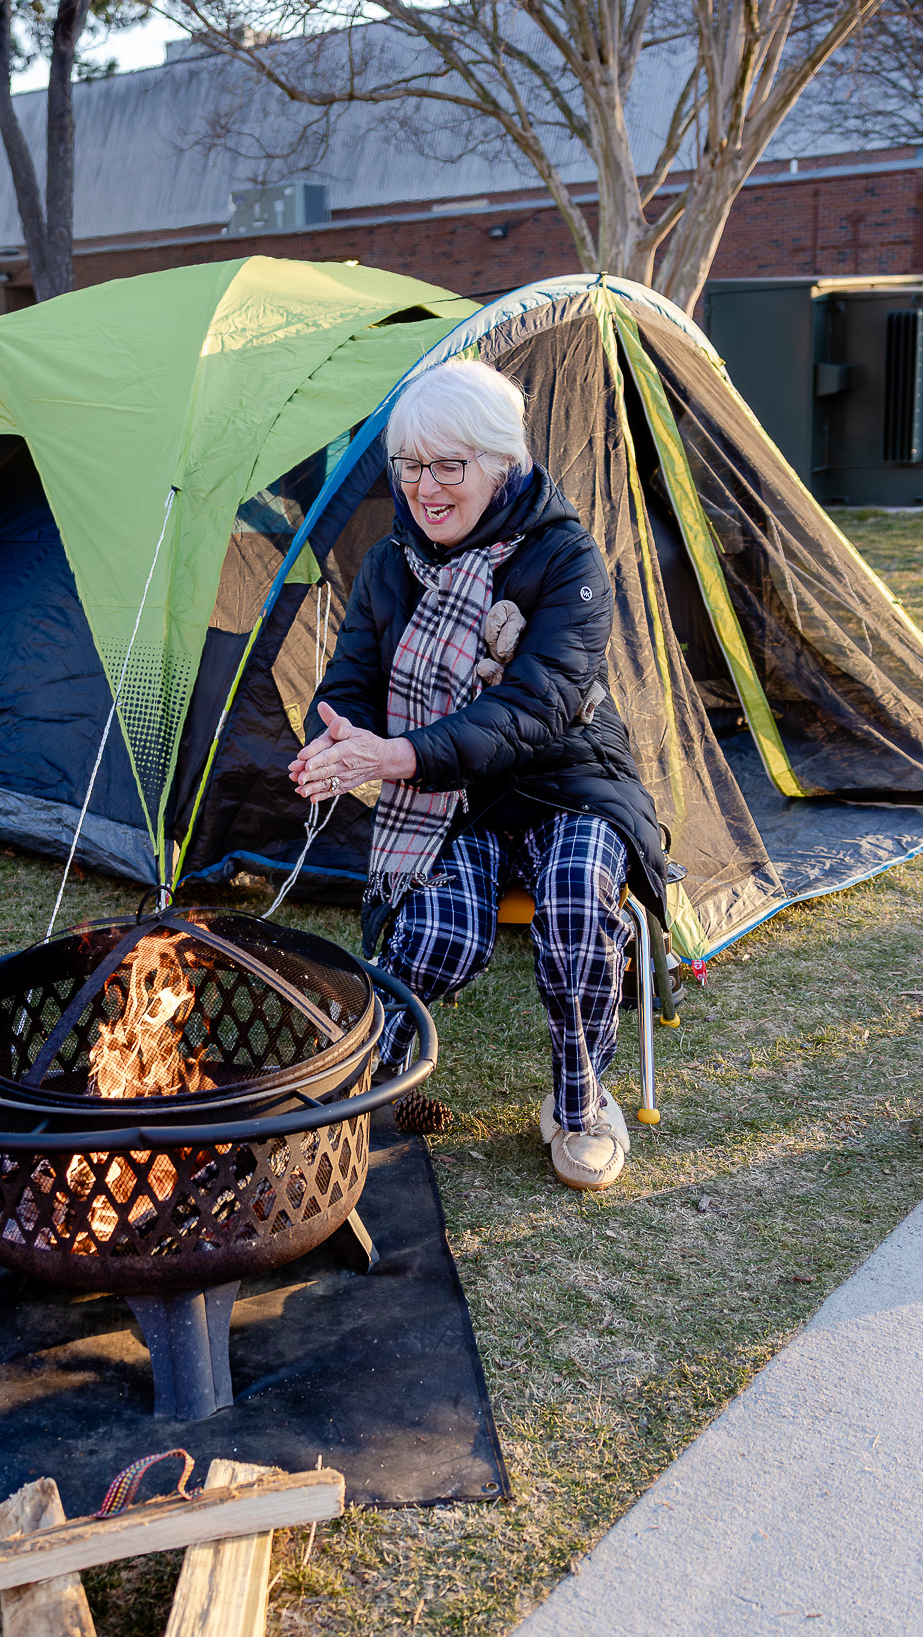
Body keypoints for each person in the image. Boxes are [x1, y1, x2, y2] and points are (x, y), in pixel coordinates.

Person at [290, 358, 672, 1191]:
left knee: (573, 905)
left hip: (567, 781)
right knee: (440, 934)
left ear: (504, 463)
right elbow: (349, 679)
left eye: (448, 466)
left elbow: (537, 707)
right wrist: (335, 740)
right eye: (410, 466)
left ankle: (580, 1104)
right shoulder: (393, 562)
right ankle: (350, 1093)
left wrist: (398, 755)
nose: (425, 488)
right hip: (454, 797)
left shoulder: (567, 558)